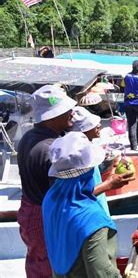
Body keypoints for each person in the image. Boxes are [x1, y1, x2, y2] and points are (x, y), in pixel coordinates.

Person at [42, 132, 132, 277]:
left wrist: (109, 180)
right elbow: (101, 273)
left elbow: (76, 196)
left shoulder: (50, 199)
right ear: (90, 172)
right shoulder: (92, 219)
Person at [17, 85, 77, 277]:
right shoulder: (51, 149)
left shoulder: (28, 137)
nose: (71, 113)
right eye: (66, 110)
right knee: (48, 267)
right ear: (51, 116)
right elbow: (64, 198)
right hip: (45, 217)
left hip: (29, 211)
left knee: (36, 262)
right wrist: (109, 185)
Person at [120, 60, 138, 150]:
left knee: (131, 125)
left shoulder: (126, 76)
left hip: (128, 103)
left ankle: (133, 146)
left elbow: (122, 89)